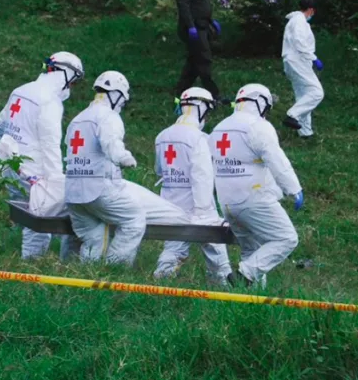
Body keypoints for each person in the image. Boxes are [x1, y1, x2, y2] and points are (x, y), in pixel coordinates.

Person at [0, 52, 84, 260]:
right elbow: (50, 144)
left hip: (10, 167)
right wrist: (56, 181)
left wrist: (7, 152)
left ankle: (24, 262)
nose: (72, 87)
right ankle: (32, 269)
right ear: (67, 75)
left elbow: (0, 123)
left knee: (27, 219)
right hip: (34, 173)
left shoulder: (21, 90)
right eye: (73, 82)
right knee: (40, 224)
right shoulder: (49, 101)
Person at [209, 83, 304, 287]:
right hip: (254, 199)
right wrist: (293, 189)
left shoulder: (219, 128)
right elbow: (276, 159)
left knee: (252, 251)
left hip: (227, 203)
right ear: (261, 103)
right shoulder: (257, 126)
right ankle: (243, 274)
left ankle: (250, 299)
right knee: (286, 238)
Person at [63, 71, 146, 266]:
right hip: (98, 189)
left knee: (94, 238)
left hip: (73, 191)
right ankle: (114, 269)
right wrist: (125, 158)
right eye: (122, 101)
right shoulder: (108, 116)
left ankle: (85, 276)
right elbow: (111, 142)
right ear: (116, 94)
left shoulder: (78, 118)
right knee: (134, 219)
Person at [153, 87, 232, 284]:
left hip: (169, 205)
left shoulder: (162, 135)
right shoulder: (197, 138)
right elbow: (202, 178)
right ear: (201, 108)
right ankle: (224, 286)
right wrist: (204, 213)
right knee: (216, 249)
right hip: (197, 205)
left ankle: (161, 282)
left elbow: (159, 170)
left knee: (173, 247)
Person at [174, 0, 221, 100]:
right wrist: (190, 27)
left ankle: (180, 91)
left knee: (194, 62)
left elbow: (199, 6)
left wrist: (211, 21)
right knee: (204, 59)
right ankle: (214, 94)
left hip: (203, 26)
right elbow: (184, 7)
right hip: (194, 29)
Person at [281, 0, 324, 137]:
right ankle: (292, 115)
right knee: (317, 93)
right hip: (297, 61)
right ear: (311, 10)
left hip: (293, 61)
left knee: (303, 96)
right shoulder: (299, 21)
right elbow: (299, 42)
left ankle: (305, 132)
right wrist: (314, 58)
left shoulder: (295, 21)